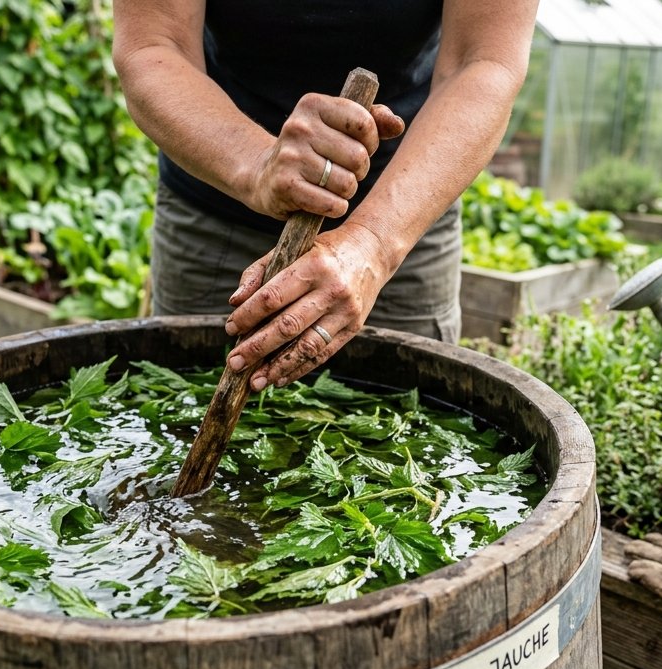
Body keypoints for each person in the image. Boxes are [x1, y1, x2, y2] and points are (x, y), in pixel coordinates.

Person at [113, 1, 538, 392]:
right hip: (216, 211)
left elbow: (482, 62)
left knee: (402, 436)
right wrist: (257, 165)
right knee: (181, 405)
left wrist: (373, 244)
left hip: (404, 213)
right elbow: (154, 46)